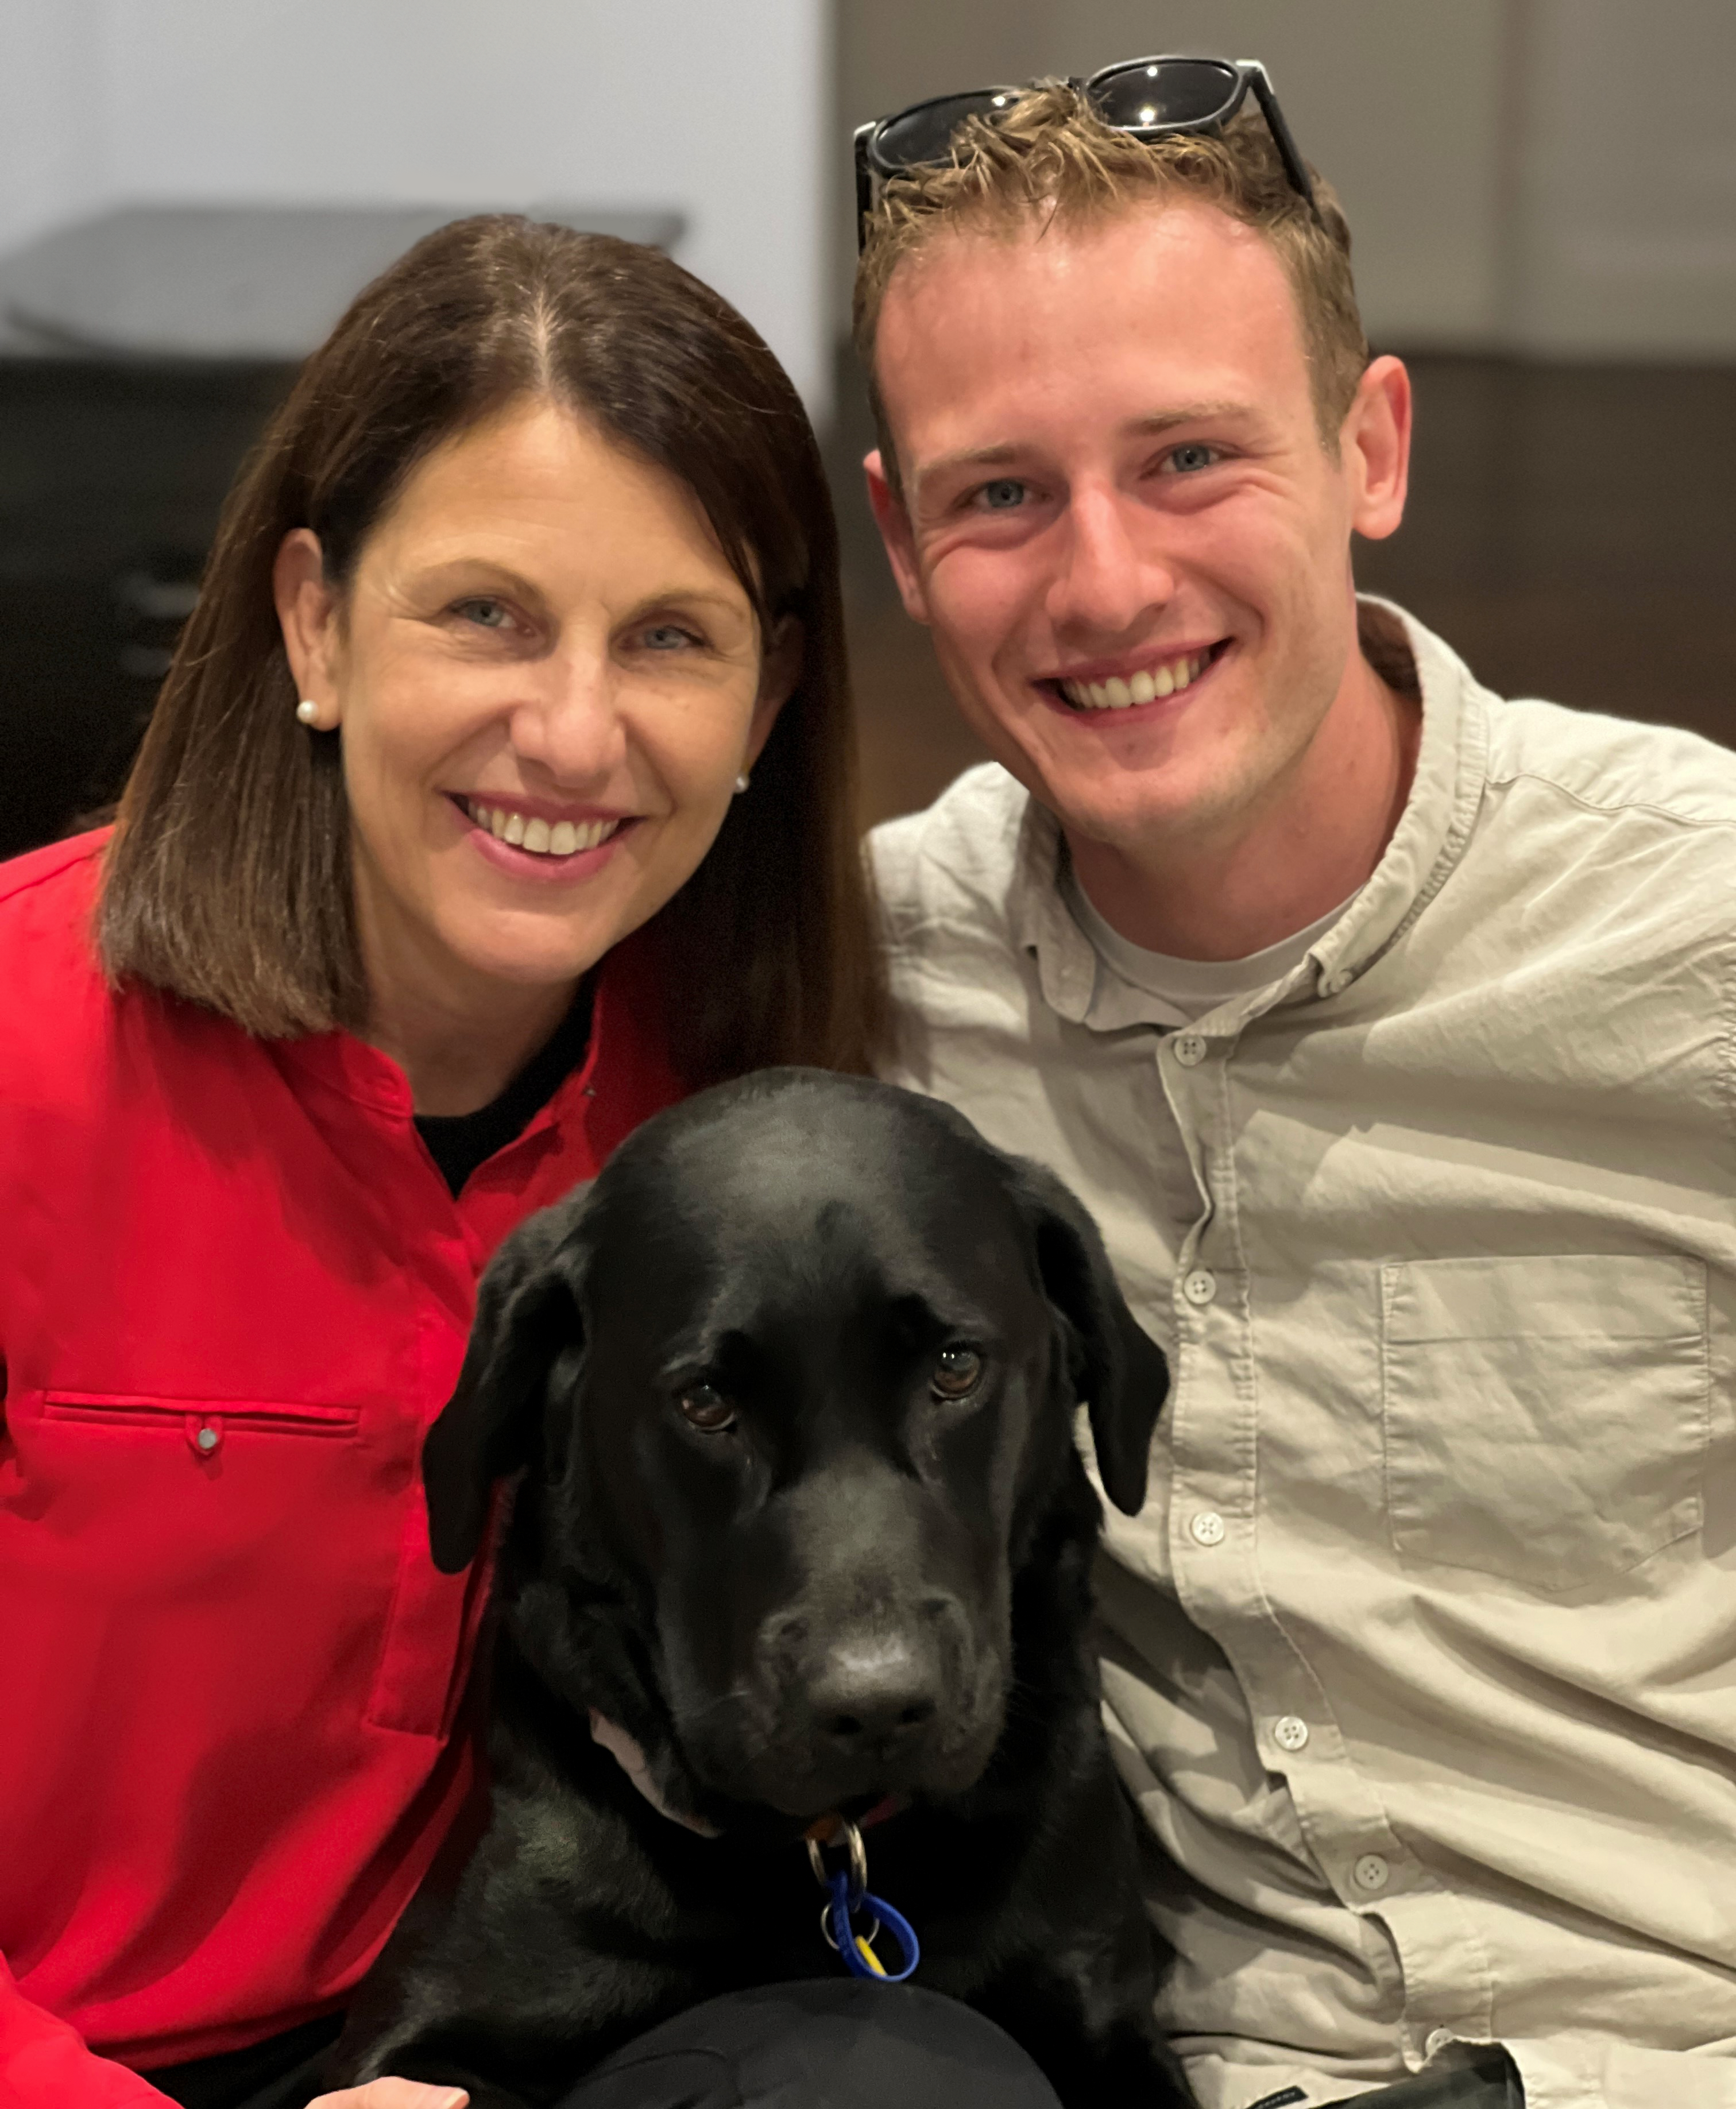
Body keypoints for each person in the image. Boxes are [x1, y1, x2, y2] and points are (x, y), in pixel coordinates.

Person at [857, 61, 1736, 2109]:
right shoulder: (866, 986)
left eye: (1186, 458)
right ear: (899, 541)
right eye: (1000, 492)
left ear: (1369, 447)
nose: (1100, 585)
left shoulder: (1695, 926)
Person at [0, 213, 898, 2109]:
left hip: (493, 2040)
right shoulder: (21, 1057)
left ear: (773, 696)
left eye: (670, 638)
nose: (571, 734)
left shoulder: (748, 1125)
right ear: (314, 623)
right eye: (483, 613)